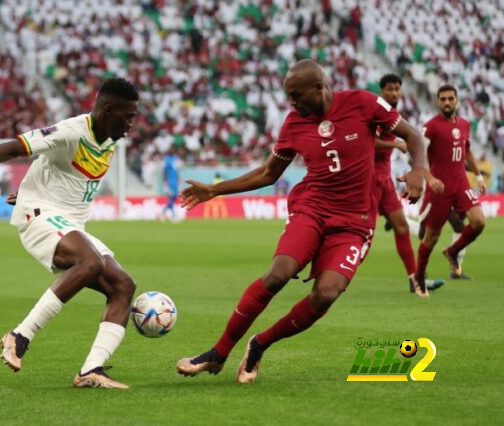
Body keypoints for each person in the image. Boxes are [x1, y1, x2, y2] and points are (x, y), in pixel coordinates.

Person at [175, 60, 443, 384]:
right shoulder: (293, 123)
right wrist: (215, 190)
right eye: (289, 97)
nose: (292, 103)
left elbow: (413, 135)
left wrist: (418, 170)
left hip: (355, 222)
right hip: (312, 208)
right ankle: (217, 352)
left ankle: (260, 343)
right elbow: (268, 173)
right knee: (278, 274)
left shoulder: (363, 103)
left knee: (326, 294)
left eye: (296, 96)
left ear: (319, 88)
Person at [0, 78, 140, 389]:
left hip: (69, 222)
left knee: (124, 285)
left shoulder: (110, 139)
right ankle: (19, 336)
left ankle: (92, 370)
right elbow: (15, 147)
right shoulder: (72, 131)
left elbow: (57, 172)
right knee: (91, 263)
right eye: (127, 116)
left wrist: (29, 189)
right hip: (40, 216)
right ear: (107, 110)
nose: (131, 123)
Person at [373, 74, 444, 296]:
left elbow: (412, 143)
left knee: (402, 227)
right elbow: (365, 143)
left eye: (397, 89)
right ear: (381, 91)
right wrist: (394, 143)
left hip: (384, 181)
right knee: (356, 231)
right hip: (366, 180)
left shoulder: (395, 117)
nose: (395, 93)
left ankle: (414, 279)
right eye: (390, 89)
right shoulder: (374, 112)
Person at [415, 84, 487, 288]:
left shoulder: (465, 124)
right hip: (439, 188)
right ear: (438, 102)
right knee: (430, 237)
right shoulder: (430, 127)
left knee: (479, 222)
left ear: (456, 101)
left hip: (461, 184)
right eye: (443, 99)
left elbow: (468, 151)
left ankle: (453, 251)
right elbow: (418, 155)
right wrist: (429, 179)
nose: (447, 102)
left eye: (450, 98)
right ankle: (419, 277)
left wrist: (479, 177)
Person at [161, 149, 180, 221]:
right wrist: (165, 181)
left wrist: (178, 180)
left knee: (174, 197)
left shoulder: (175, 158)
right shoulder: (166, 159)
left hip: (175, 181)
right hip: (170, 181)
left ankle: (164, 211)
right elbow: (164, 171)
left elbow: (177, 170)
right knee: (172, 196)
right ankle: (173, 214)